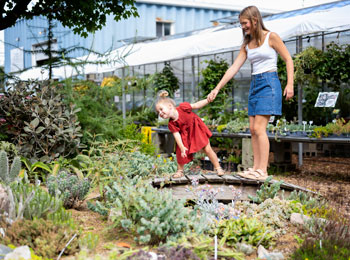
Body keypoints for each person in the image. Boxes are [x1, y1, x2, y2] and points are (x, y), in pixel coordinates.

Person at [207, 6, 294, 180]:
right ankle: (255, 168)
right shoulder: (247, 44)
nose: (243, 27)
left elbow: (288, 59)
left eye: (244, 23)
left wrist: (290, 84)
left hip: (269, 83)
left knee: (260, 129)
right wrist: (217, 88)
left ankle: (263, 170)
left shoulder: (272, 37)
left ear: (255, 20)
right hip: (255, 84)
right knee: (253, 129)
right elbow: (234, 68)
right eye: (241, 24)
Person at [155, 90, 225, 178]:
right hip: (185, 135)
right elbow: (177, 135)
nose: (160, 113)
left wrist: (207, 100)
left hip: (196, 129)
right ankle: (180, 171)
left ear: (170, 106)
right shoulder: (171, 123)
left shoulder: (183, 107)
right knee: (180, 151)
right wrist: (182, 147)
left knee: (207, 149)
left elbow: (196, 105)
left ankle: (218, 168)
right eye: (158, 112)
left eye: (161, 109)